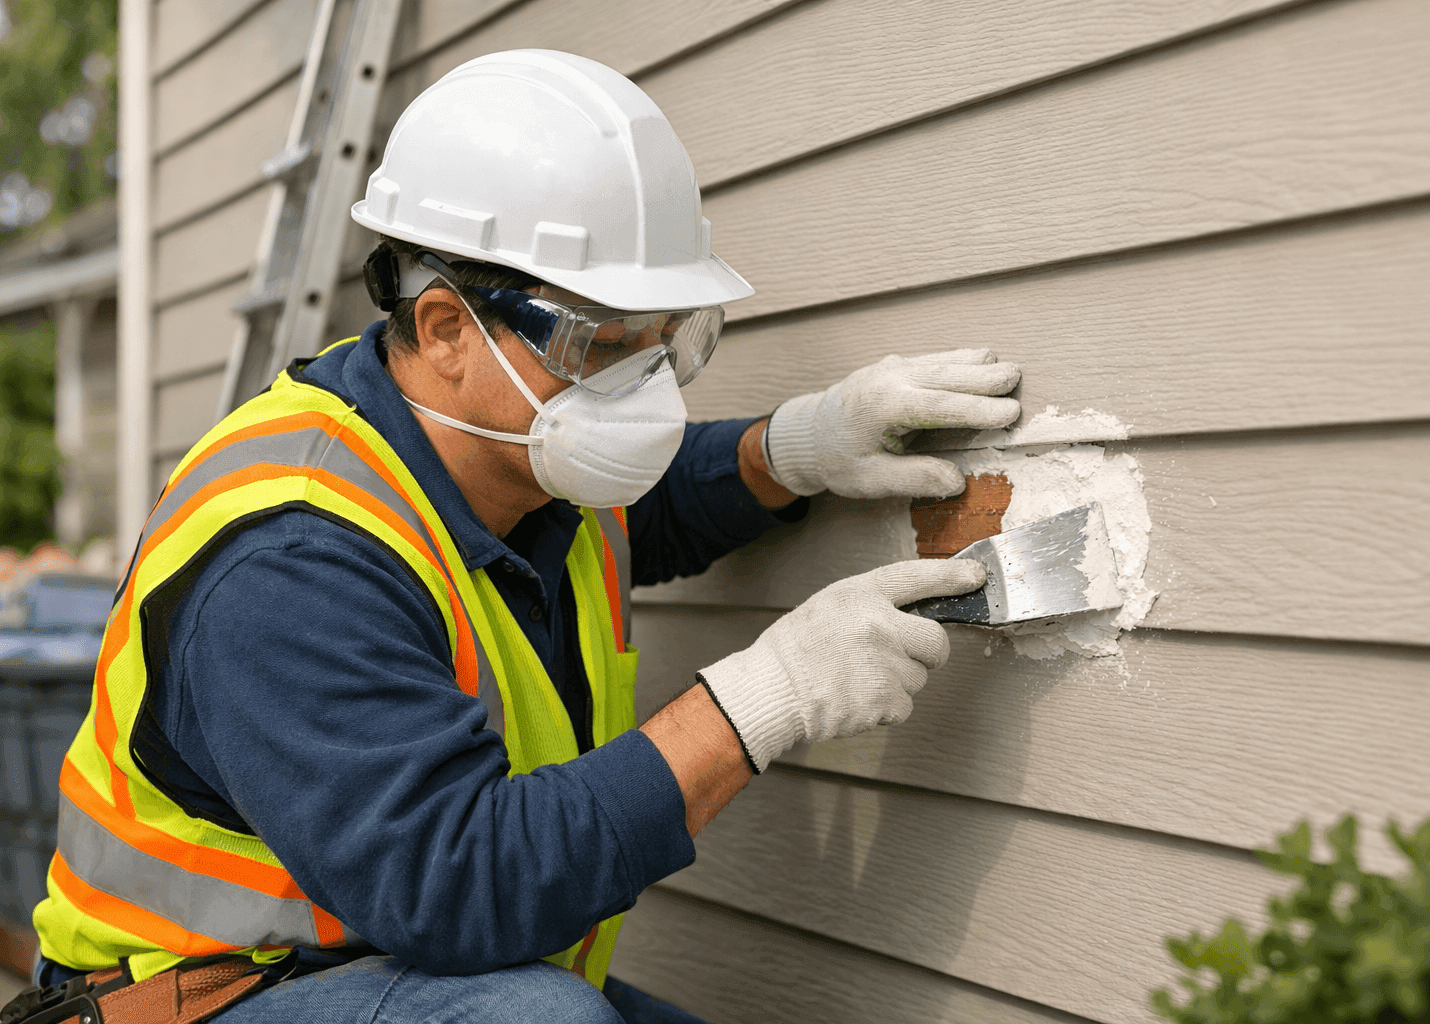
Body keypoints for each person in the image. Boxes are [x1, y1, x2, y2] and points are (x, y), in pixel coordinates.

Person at [25, 50, 1020, 1023]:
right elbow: (457, 884)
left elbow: (633, 509)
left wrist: (793, 448)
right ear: (449, 327)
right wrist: (769, 696)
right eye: (600, 346)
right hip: (197, 995)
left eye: (669, 341)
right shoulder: (289, 559)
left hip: (377, 968)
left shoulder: (497, 440)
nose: (644, 389)